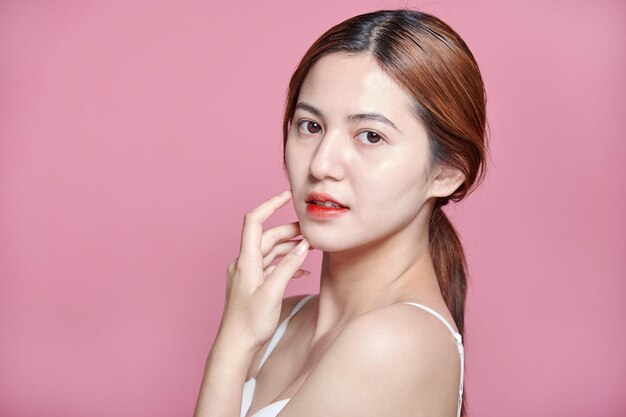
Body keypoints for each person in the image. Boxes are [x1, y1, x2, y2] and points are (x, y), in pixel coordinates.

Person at [194, 8, 488, 417]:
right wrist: (240, 333)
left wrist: (232, 344)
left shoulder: (394, 343)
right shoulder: (280, 320)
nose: (321, 165)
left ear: (446, 174)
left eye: (370, 135)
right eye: (310, 126)